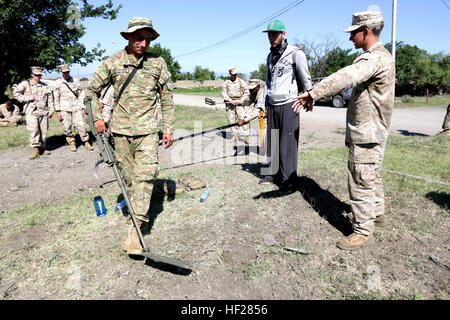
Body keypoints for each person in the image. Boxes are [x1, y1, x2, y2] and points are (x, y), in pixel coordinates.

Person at [292, 11, 395, 251]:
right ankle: (376, 214)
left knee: (360, 179)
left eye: (353, 34)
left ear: (366, 31)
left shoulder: (373, 59)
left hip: (367, 132)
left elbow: (346, 76)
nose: (351, 39)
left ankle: (361, 229)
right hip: (373, 131)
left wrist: (313, 93)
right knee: (371, 176)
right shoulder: (383, 56)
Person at [84, 17, 175, 256]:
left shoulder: (158, 64)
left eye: (147, 39)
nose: (143, 44)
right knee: (129, 179)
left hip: (147, 132)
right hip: (121, 133)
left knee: (145, 177)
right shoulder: (113, 62)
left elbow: (166, 99)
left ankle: (135, 232)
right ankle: (135, 212)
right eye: (138, 38)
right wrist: (96, 118)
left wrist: (168, 128)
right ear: (128, 37)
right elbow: (90, 91)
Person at [260, 19, 312, 191]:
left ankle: (288, 179)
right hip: (273, 104)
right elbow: (267, 81)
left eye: (275, 34)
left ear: (284, 34)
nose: (271, 38)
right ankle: (270, 173)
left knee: (287, 144)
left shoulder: (296, 53)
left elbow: (306, 79)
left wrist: (310, 99)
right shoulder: (269, 56)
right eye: (269, 35)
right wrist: (263, 103)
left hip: (289, 103)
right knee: (272, 140)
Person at [14, 66, 54, 159]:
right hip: (31, 111)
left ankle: (42, 148)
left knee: (43, 131)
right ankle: (36, 149)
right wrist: (26, 98)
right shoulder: (26, 84)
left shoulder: (44, 85)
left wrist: (51, 110)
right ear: (32, 74)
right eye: (36, 75)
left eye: (40, 75)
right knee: (34, 130)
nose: (38, 77)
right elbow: (16, 93)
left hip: (43, 111)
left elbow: (50, 99)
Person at [53, 64, 94, 152]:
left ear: (69, 71)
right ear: (61, 72)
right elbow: (56, 98)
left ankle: (86, 142)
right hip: (64, 108)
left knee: (81, 125)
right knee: (67, 127)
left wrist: (82, 107)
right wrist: (58, 111)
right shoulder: (58, 83)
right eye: (64, 72)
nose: (66, 74)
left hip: (76, 107)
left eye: (67, 72)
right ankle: (72, 142)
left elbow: (81, 94)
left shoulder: (75, 81)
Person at [222, 66, 250, 144]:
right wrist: (230, 100)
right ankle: (235, 135)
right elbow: (224, 94)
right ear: (230, 74)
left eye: (235, 74)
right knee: (231, 119)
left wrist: (242, 100)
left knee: (243, 119)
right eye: (232, 75)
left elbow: (247, 92)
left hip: (239, 102)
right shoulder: (226, 83)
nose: (234, 76)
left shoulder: (241, 82)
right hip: (230, 104)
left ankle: (246, 136)